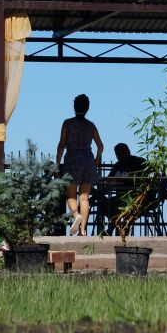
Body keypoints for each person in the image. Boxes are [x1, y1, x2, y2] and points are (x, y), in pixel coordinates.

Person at [56, 94, 104, 236]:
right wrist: (96, 160)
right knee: (84, 198)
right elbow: (100, 146)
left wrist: (57, 163)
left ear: (74, 106)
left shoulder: (67, 123)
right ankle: (82, 231)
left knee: (70, 195)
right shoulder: (91, 125)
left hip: (72, 160)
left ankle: (76, 215)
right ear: (87, 108)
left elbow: (61, 145)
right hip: (87, 161)